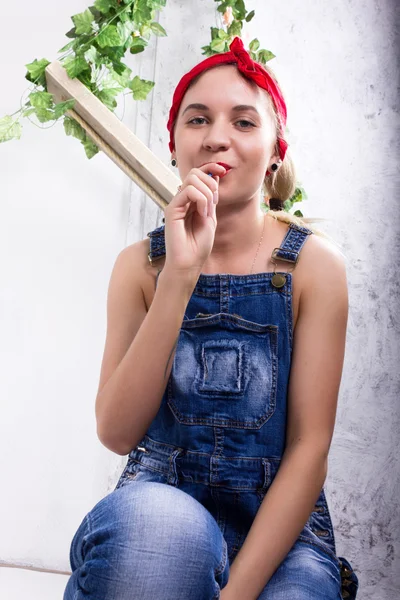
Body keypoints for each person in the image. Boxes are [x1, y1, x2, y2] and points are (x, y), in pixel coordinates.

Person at [63, 37, 359, 600]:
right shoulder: (140, 268)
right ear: (174, 144)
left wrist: (235, 594)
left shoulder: (315, 269)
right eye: (197, 119)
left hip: (282, 535)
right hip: (161, 515)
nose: (217, 137)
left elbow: (309, 449)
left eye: (244, 123)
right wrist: (179, 275)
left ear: (276, 151)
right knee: (159, 537)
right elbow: (117, 431)